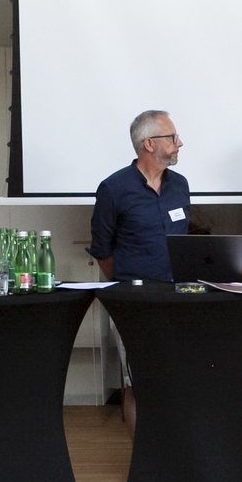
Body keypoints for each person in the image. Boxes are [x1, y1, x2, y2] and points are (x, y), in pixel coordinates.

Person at [89, 109, 190, 424]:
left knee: (174, 379)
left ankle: (168, 448)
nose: (179, 143)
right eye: (172, 137)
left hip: (177, 298)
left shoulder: (180, 185)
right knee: (137, 382)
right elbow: (102, 250)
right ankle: (142, 454)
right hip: (134, 301)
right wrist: (127, 283)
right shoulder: (114, 188)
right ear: (149, 143)